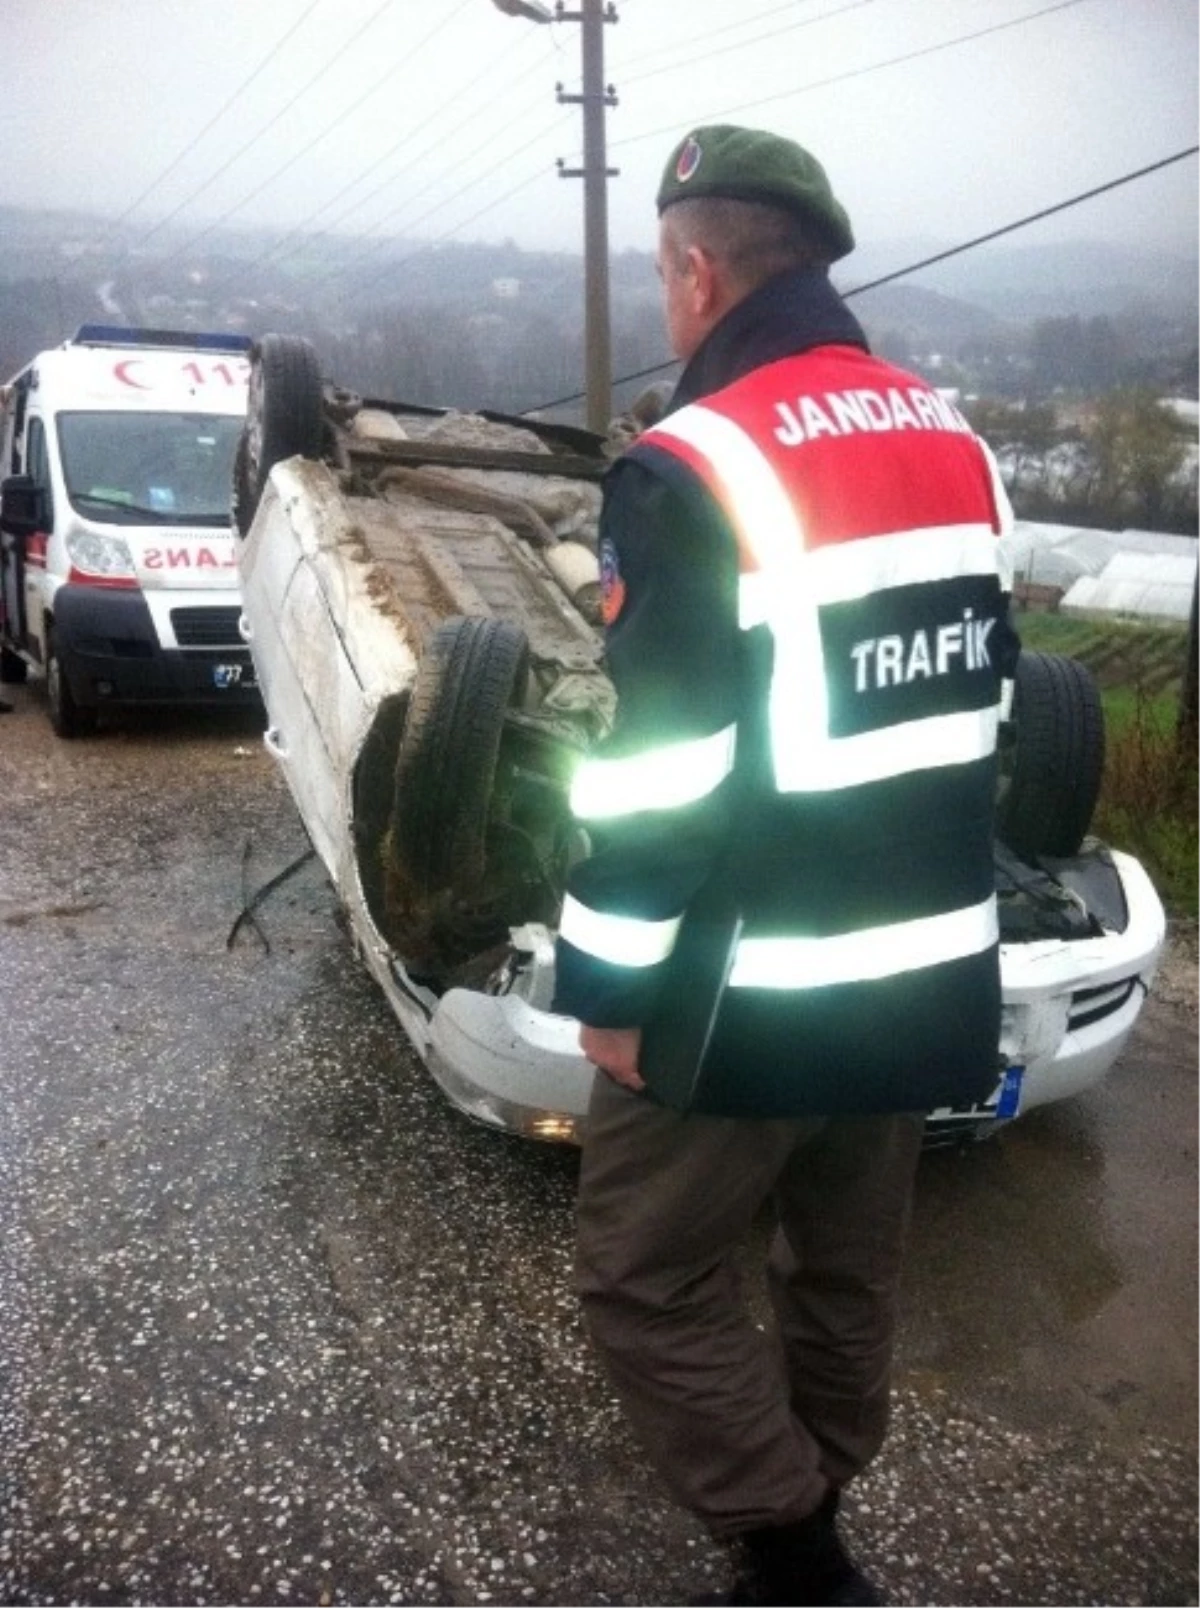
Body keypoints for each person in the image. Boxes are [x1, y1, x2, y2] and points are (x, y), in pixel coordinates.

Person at [552, 124, 1019, 1608]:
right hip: (919, 961)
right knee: (843, 1265)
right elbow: (978, 703)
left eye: (667, 272)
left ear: (696, 271)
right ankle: (815, 1501)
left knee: (645, 1272)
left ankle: (798, 1557)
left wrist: (609, 984)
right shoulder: (956, 439)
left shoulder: (695, 465)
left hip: (739, 986)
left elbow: (663, 770)